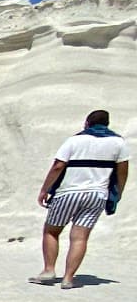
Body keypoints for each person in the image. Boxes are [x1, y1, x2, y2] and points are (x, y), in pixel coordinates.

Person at [33, 109, 128, 288]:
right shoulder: (118, 143)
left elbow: (58, 166)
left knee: (51, 231)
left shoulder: (74, 140)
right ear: (107, 124)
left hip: (68, 192)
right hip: (97, 195)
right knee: (80, 238)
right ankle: (68, 278)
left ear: (87, 123)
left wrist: (45, 189)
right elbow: (122, 171)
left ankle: (49, 270)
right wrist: (118, 193)